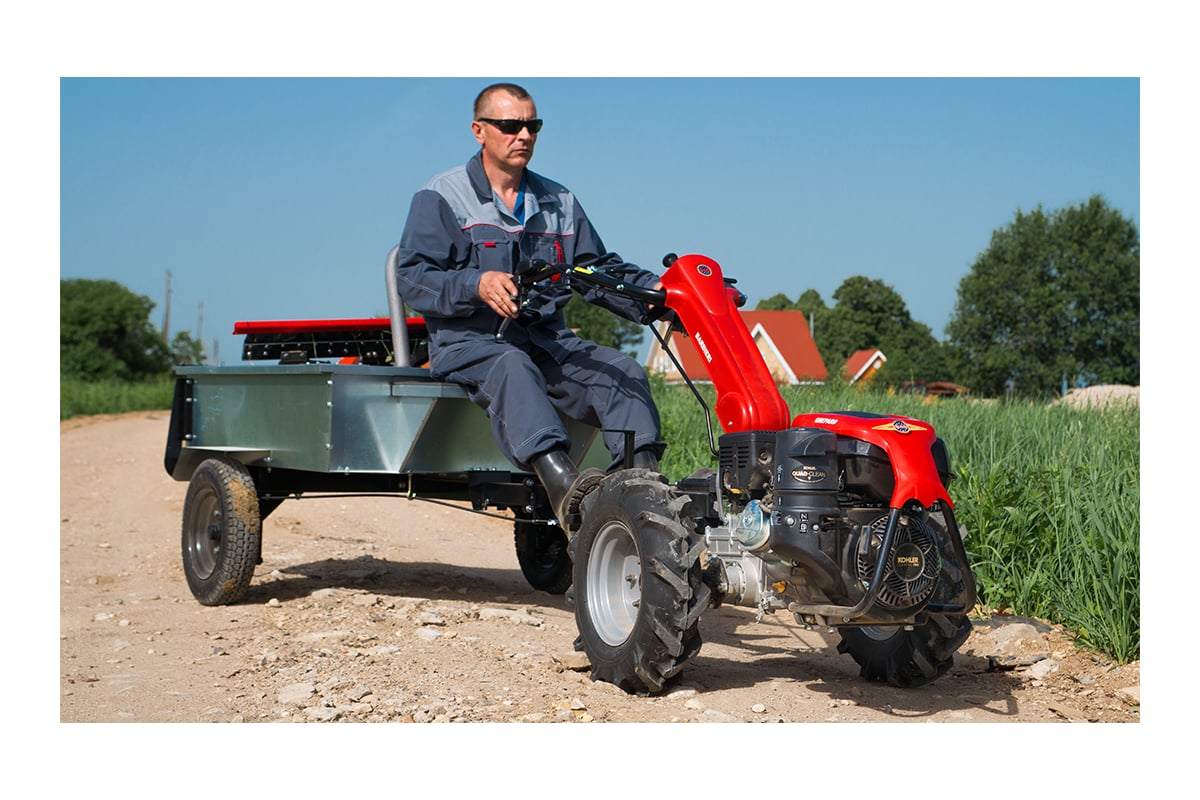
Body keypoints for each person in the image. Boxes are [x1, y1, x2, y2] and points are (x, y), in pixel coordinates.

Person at [393, 82, 665, 530]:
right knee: (512, 366)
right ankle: (566, 494)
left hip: (547, 341)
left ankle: (643, 494)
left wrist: (658, 295)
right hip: (469, 343)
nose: (523, 135)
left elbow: (596, 270)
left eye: (532, 125)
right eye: (509, 125)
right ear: (479, 130)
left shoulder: (560, 201)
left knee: (624, 373)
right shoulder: (442, 195)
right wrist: (476, 284)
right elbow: (413, 278)